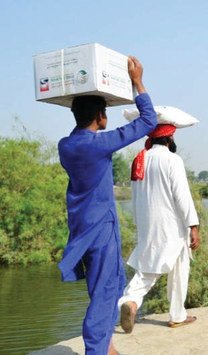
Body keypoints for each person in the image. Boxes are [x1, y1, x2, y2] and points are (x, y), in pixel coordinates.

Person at [57, 57, 157, 355]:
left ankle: (107, 345)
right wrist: (137, 82)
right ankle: (96, 350)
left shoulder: (66, 145)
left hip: (81, 227)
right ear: (100, 116)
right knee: (104, 293)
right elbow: (148, 122)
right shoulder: (97, 144)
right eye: (104, 112)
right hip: (101, 229)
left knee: (105, 286)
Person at [118, 124, 201, 334]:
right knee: (179, 269)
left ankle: (131, 301)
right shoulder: (173, 160)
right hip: (172, 224)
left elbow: (135, 196)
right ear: (169, 138)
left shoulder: (140, 159)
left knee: (148, 268)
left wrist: (139, 223)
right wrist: (193, 224)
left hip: (148, 224)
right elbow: (182, 195)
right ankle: (176, 315)